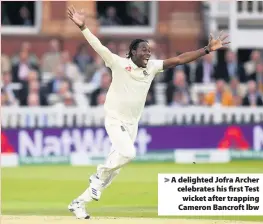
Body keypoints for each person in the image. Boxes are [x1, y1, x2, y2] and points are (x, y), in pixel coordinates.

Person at [67, 5, 230, 219]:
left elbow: (180, 59)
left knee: (114, 170)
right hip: (115, 119)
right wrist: (83, 27)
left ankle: (79, 202)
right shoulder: (118, 63)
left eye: (149, 50)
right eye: (143, 49)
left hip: (132, 124)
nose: (147, 52)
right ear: (133, 51)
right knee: (128, 154)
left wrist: (207, 50)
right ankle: (97, 176)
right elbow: (97, 46)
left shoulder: (151, 67)